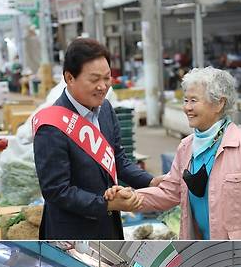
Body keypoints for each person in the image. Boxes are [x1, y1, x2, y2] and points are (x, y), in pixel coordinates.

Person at [109, 67, 241, 240]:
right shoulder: (186, 147)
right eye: (185, 100)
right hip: (200, 249)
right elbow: (170, 192)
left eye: (193, 100)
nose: (187, 108)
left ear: (219, 103)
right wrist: (132, 197)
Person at [33, 38, 159, 240]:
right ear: (69, 77)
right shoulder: (52, 125)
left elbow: (119, 160)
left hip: (108, 225)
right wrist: (108, 204)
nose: (103, 86)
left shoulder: (106, 110)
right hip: (72, 232)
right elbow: (57, 191)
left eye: (107, 78)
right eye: (94, 79)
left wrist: (152, 181)